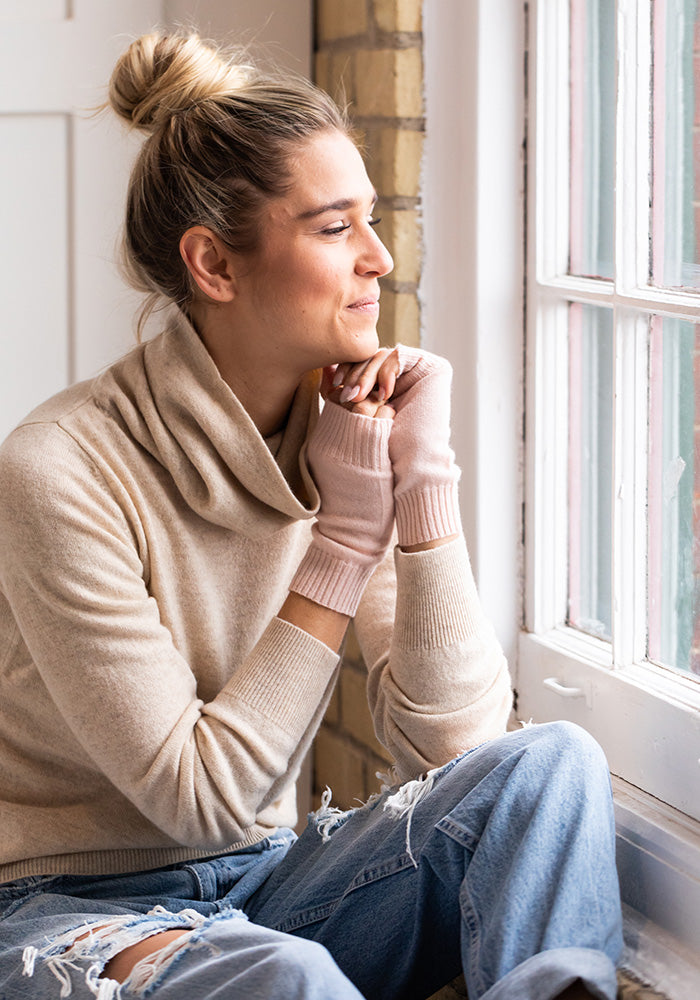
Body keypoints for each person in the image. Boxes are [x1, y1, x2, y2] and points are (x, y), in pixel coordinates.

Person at [0, 30, 622, 1000]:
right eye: (335, 229)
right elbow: (200, 800)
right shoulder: (60, 470)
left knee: (550, 766)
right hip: (67, 909)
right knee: (284, 975)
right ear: (214, 263)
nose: (380, 256)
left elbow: (456, 745)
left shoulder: (337, 440)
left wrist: (421, 480)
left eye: (371, 219)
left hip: (264, 885)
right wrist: (343, 540)